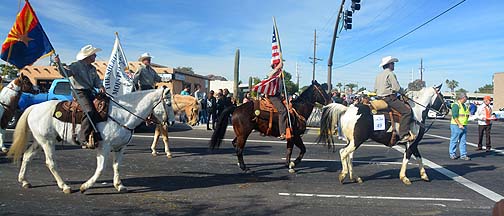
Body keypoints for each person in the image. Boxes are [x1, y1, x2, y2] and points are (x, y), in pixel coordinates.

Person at [55, 45, 106, 149]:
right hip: (79, 92)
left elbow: (96, 80)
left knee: (103, 107)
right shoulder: (76, 65)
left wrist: (101, 86)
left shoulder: (93, 68)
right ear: (88, 56)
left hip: (90, 91)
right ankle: (83, 138)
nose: (95, 56)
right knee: (89, 111)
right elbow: (66, 73)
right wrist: (58, 63)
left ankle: (95, 133)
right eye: (94, 54)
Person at [374, 56, 413, 143]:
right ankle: (404, 135)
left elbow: (375, 89)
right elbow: (397, 88)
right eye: (393, 63)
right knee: (407, 111)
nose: (394, 65)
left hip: (379, 98)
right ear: (389, 65)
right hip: (389, 98)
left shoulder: (378, 75)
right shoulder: (390, 74)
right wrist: (404, 93)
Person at [267, 62, 288, 140]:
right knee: (283, 111)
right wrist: (278, 68)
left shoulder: (279, 76)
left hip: (278, 96)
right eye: (277, 65)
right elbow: (270, 77)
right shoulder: (272, 74)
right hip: (273, 96)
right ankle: (282, 133)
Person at [449, 92, 471, 160]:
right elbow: (455, 116)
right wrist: (459, 124)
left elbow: (466, 115)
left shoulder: (464, 105)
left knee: (463, 141)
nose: (466, 99)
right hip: (456, 125)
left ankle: (463, 155)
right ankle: (452, 154)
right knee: (454, 140)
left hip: (464, 125)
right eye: (465, 98)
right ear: (462, 98)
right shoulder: (456, 105)